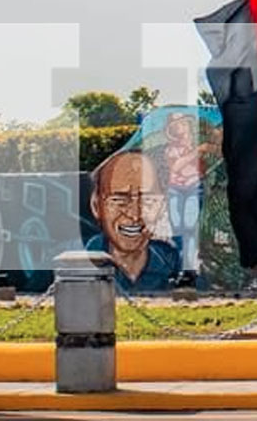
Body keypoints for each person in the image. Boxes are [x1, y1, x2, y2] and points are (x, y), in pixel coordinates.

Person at [87, 151, 179, 291]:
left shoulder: (174, 261)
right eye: (120, 200)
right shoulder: (76, 262)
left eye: (147, 200)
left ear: (162, 206)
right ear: (96, 206)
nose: (135, 215)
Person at [161, 112, 203, 282]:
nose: (180, 128)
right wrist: (197, 151)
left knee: (189, 227)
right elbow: (176, 166)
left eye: (183, 124)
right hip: (175, 190)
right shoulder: (170, 149)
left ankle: (189, 268)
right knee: (177, 229)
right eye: (176, 125)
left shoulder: (198, 145)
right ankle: (179, 265)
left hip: (194, 188)